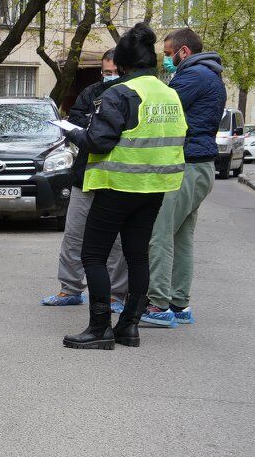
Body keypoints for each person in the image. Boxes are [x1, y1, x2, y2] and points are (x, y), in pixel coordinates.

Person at [57, 23, 187, 350]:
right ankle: (129, 327)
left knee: (93, 255)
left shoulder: (118, 93)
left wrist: (71, 132)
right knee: (137, 256)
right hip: (155, 187)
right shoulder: (170, 93)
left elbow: (98, 142)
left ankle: (99, 328)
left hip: (118, 186)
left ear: (124, 65)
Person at [139, 26, 226, 330]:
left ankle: (158, 304)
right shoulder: (210, 75)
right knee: (181, 237)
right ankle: (179, 303)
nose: (166, 61)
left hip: (184, 165)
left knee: (160, 234)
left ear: (183, 52)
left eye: (167, 55)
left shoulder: (193, 76)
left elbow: (159, 109)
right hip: (200, 166)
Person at [42, 50, 129, 311]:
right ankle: (70, 288)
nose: (108, 77)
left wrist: (97, 126)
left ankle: (117, 294)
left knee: (116, 242)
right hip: (85, 175)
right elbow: (77, 119)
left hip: (116, 177)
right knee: (74, 235)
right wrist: (92, 124)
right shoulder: (90, 93)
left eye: (114, 72)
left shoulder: (130, 94)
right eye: (105, 72)